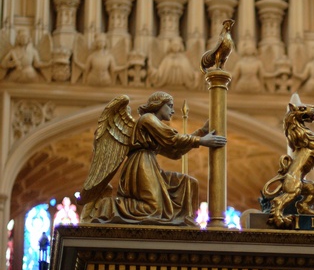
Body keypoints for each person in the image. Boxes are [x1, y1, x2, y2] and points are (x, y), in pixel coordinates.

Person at [81, 92, 227, 226]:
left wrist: (202, 132)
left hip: (150, 164)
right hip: (141, 165)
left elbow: (174, 152)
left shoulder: (153, 128)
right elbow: (172, 139)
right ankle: (107, 207)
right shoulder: (147, 119)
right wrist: (201, 140)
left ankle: (184, 222)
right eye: (169, 106)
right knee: (153, 208)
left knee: (188, 184)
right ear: (158, 105)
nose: (173, 110)